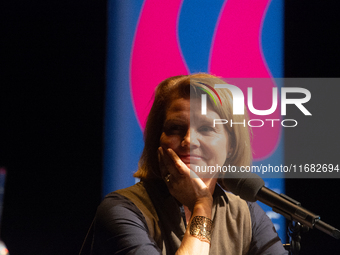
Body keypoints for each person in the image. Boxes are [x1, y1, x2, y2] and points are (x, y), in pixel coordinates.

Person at [80, 73, 288, 254]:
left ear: (231, 145)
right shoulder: (122, 209)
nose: (188, 140)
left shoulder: (247, 215)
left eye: (206, 128)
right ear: (157, 141)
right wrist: (202, 206)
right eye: (175, 128)